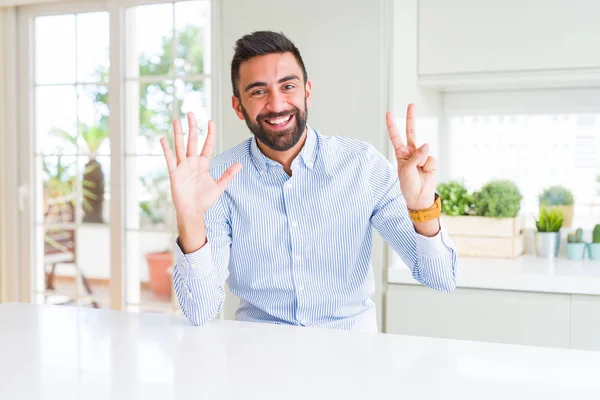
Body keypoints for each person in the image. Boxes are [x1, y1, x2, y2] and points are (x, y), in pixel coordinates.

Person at [160, 31, 459, 333]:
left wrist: (423, 208)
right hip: (258, 358)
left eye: (288, 86)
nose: (277, 105)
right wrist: (189, 218)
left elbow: (441, 277)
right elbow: (200, 311)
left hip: (350, 358)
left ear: (307, 92)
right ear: (239, 107)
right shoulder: (217, 180)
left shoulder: (362, 165)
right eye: (258, 92)